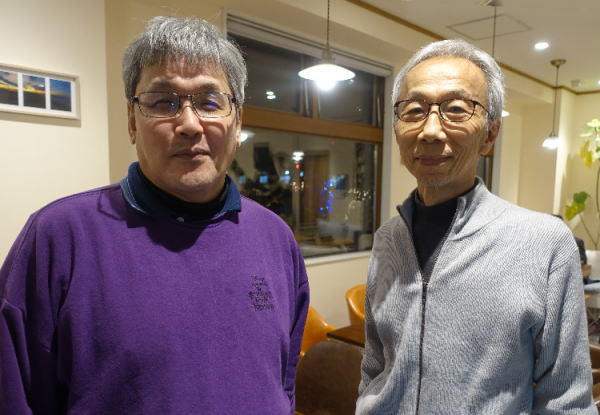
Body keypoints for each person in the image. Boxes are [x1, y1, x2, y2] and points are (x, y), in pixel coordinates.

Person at [0, 16, 309, 414]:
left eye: (210, 102)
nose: (189, 124)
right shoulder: (58, 237)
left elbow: (283, 384)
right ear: (132, 121)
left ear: (237, 122)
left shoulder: (276, 238)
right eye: (164, 102)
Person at [356, 39, 594, 414]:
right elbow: (375, 362)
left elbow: (567, 399)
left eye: (455, 109)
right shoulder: (389, 237)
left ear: (490, 134)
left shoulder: (544, 243)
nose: (430, 130)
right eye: (414, 110)